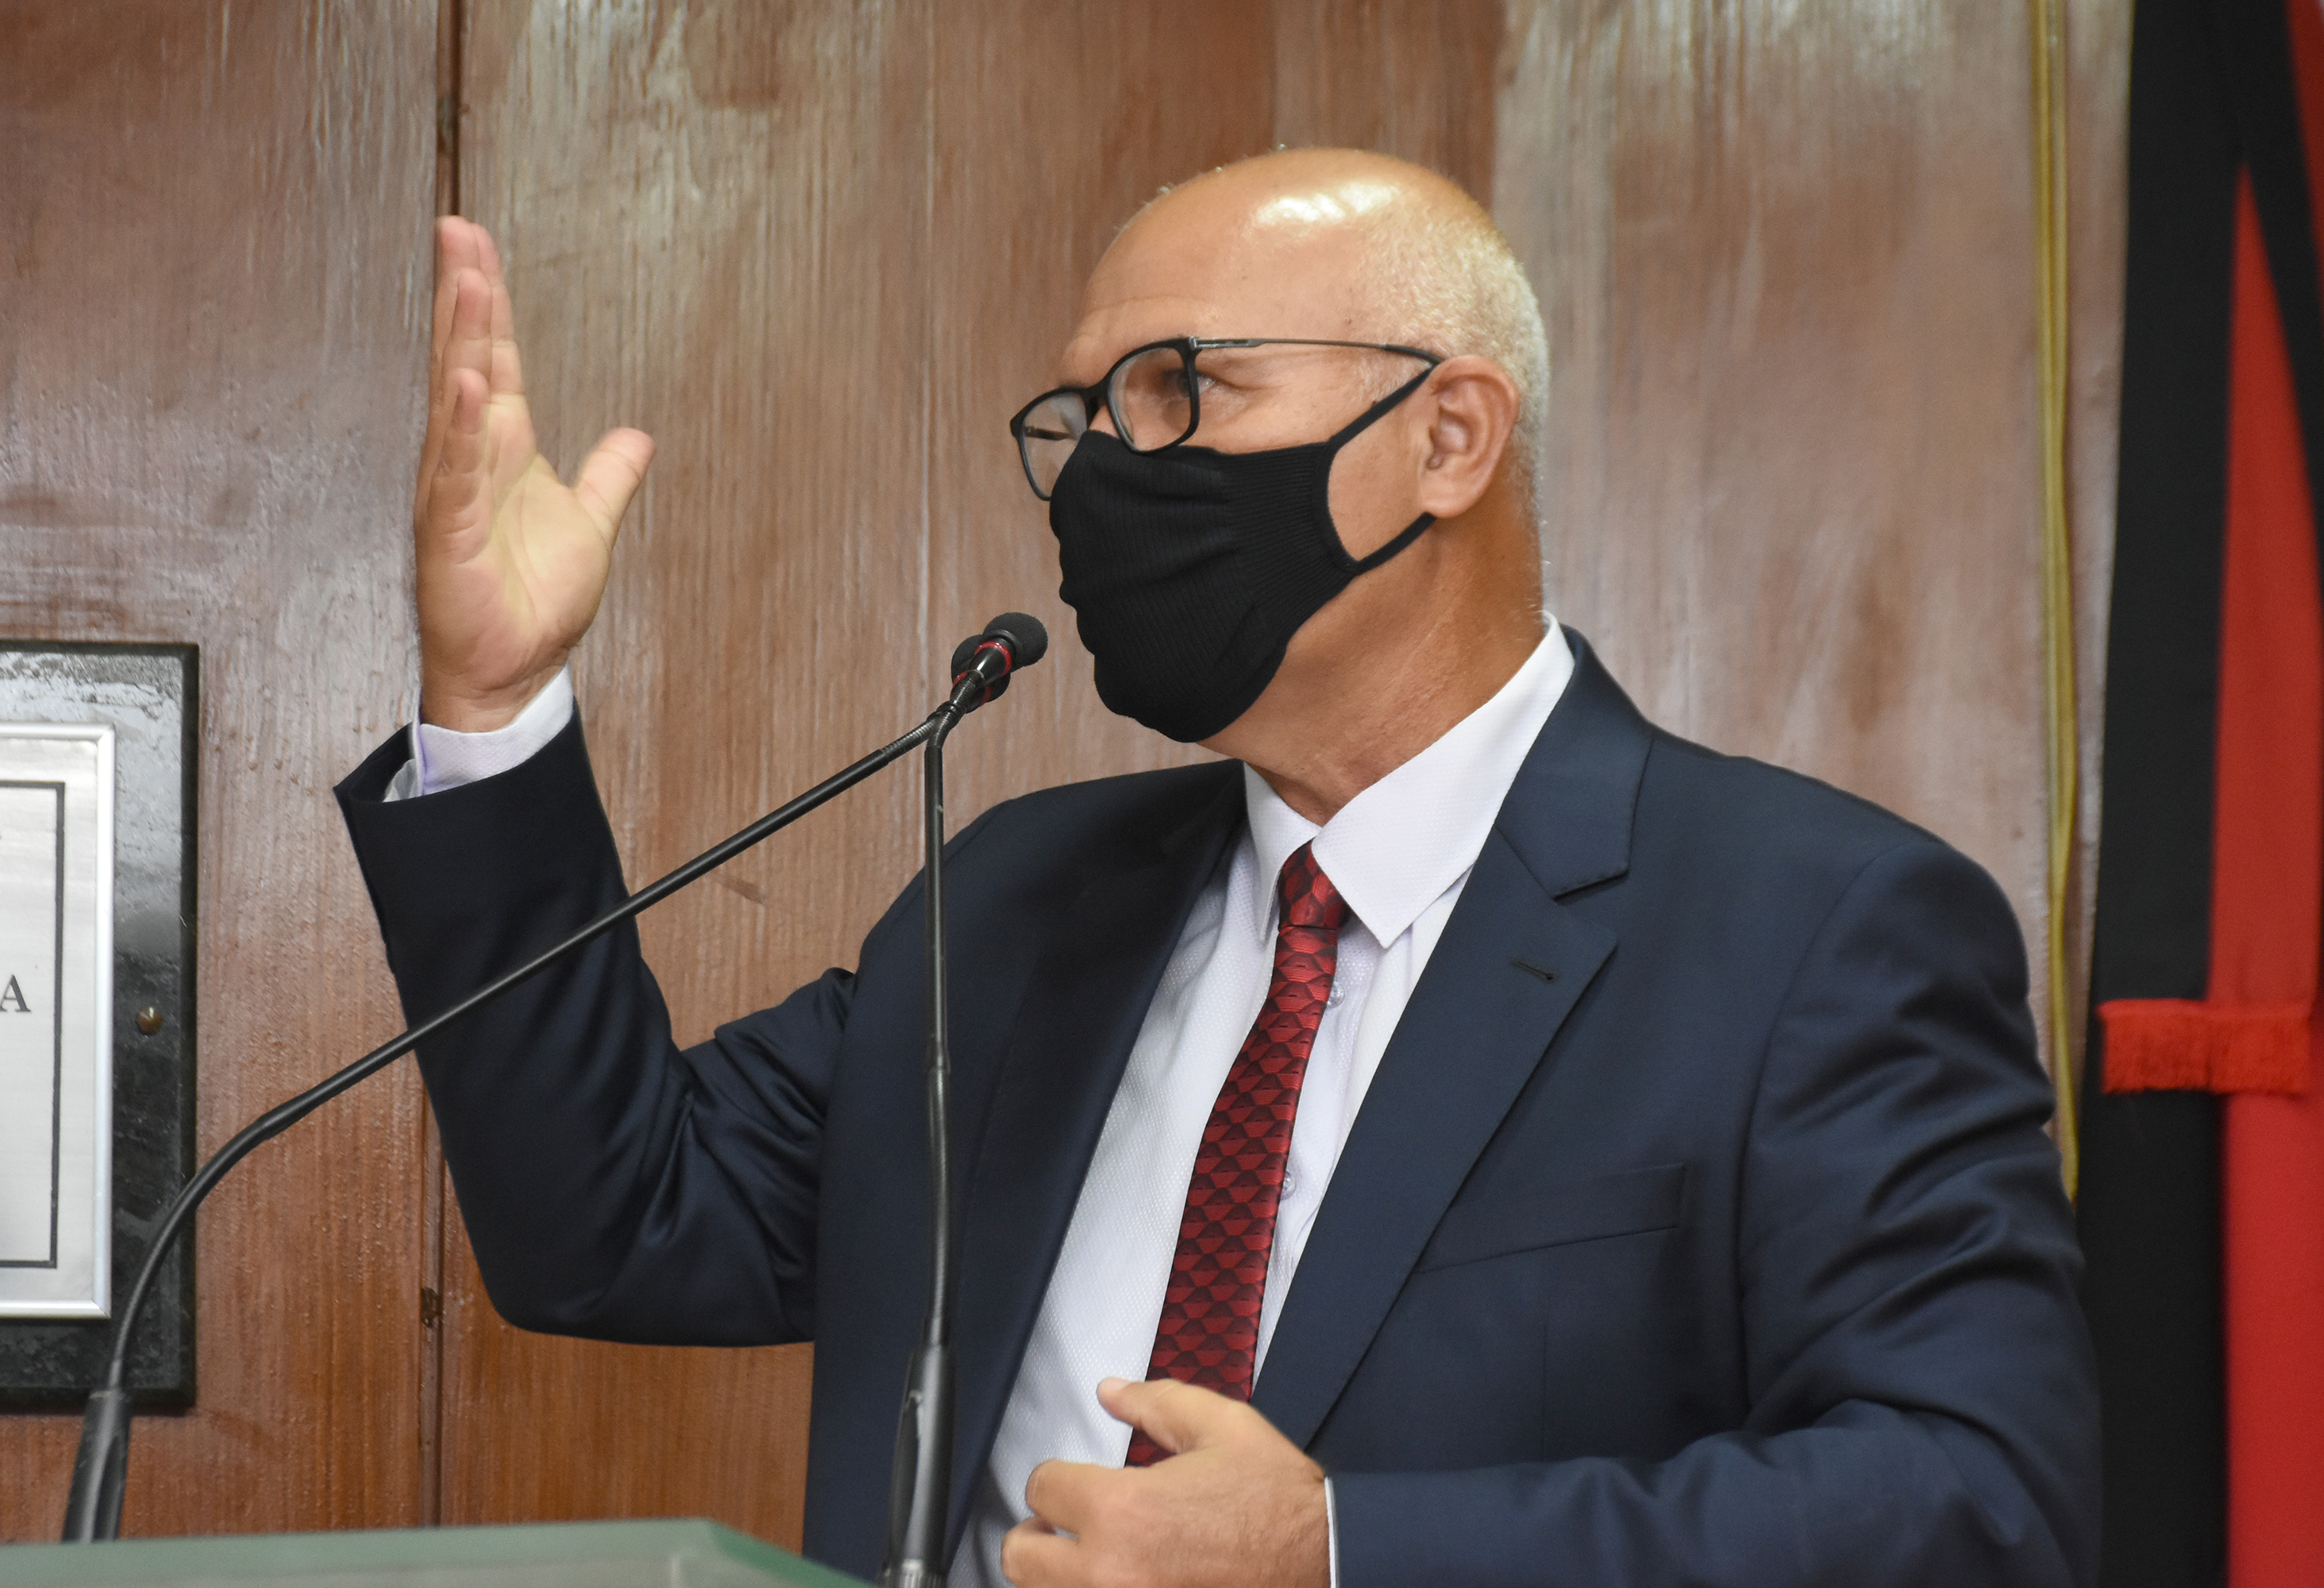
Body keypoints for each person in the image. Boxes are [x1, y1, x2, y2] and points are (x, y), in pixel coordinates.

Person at [338, 148, 2099, 1587]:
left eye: (1185, 389)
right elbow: (612, 1224)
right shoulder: (1021, 904)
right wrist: (490, 706)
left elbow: (1979, 1501)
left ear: (1450, 437)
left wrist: (1342, 1554)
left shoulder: (1814, 928)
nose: (1109, 473)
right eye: (1088, 417)